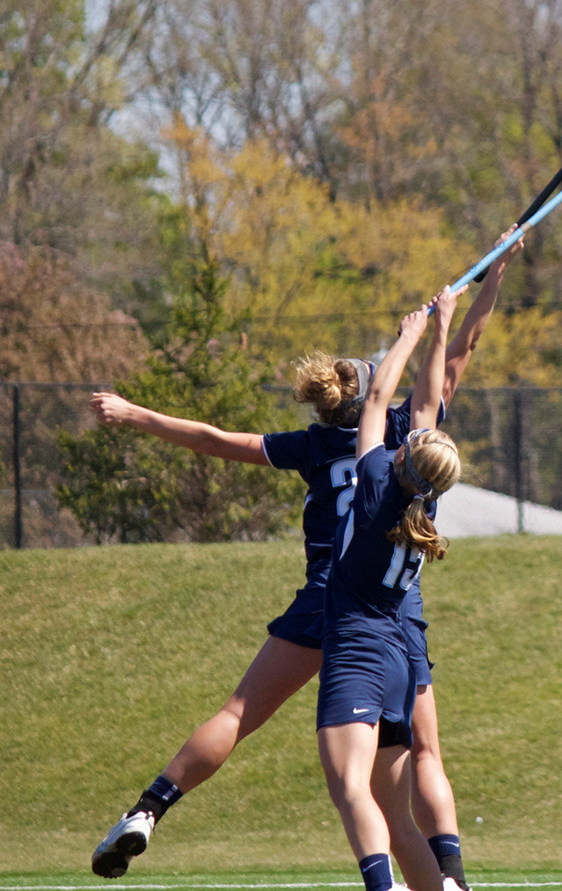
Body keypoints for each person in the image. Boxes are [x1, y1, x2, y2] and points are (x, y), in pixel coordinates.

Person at [89, 234, 522, 881]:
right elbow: (457, 357)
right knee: (419, 754)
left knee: (240, 714)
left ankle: (151, 808)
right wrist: (487, 284)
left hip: (328, 594)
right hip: (394, 611)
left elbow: (212, 439)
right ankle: (451, 875)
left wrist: (134, 414)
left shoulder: (317, 443)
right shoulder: (411, 439)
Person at [317, 286, 461, 891]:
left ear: (403, 457)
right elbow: (425, 404)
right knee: (396, 815)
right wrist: (442, 329)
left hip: (358, 647)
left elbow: (379, 397)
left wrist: (408, 335)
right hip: (399, 658)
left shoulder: (376, 481)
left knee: (351, 788)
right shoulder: (419, 500)